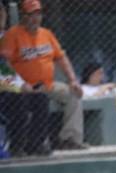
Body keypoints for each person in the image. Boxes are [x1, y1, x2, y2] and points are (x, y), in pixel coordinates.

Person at [0, 0, 86, 150]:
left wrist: (72, 80)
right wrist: (19, 83)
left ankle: (69, 140)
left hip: (47, 84)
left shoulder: (47, 34)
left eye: (38, 14)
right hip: (25, 86)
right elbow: (4, 63)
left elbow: (61, 57)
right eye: (31, 14)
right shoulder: (13, 34)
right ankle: (32, 144)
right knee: (37, 101)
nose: (35, 18)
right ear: (23, 16)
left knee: (73, 93)